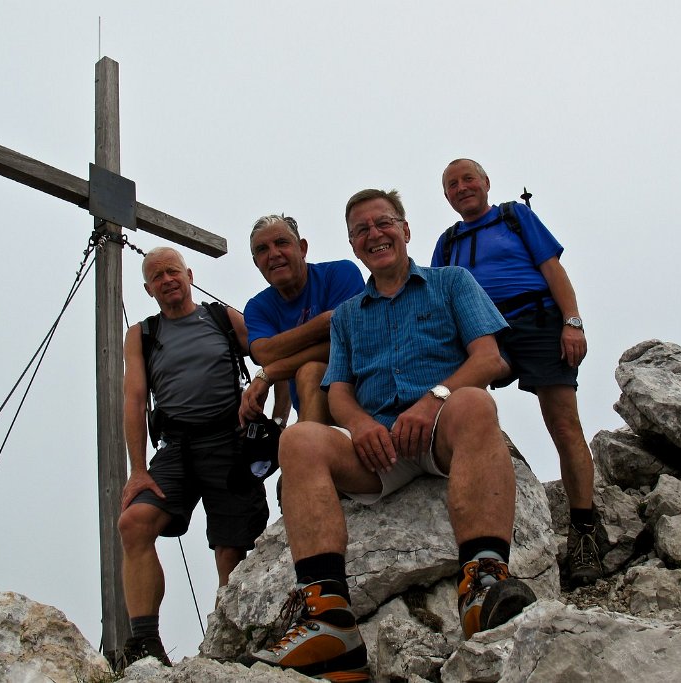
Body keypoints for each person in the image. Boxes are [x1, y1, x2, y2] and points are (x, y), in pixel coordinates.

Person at [252, 190, 536, 682]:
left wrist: (435, 398)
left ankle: (484, 581)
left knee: (474, 401)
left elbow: (489, 358)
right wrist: (359, 424)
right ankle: (329, 620)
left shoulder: (452, 283)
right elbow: (337, 389)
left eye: (383, 223)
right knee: (299, 440)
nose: (374, 234)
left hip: (441, 428)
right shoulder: (348, 314)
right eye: (361, 230)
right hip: (379, 444)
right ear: (353, 246)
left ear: (405, 230)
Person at [435, 158, 602, 586]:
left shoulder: (514, 216)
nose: (461, 187)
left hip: (536, 322)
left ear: (486, 183)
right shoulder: (448, 242)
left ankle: (584, 530)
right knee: (452, 403)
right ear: (447, 196)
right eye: (452, 184)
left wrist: (573, 321)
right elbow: (436, 296)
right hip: (482, 332)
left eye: (468, 178)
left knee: (564, 425)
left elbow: (553, 269)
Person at [117, 247, 285, 668]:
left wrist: (278, 420)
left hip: (229, 440)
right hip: (175, 448)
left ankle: (229, 646)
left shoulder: (221, 318)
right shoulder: (141, 334)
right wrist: (138, 469)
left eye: (173, 271)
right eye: (157, 276)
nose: (167, 279)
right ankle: (145, 643)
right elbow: (134, 399)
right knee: (135, 522)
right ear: (147, 288)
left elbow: (274, 357)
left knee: (231, 548)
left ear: (189, 274)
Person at [241, 215, 365, 426]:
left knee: (311, 371)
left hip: (365, 402)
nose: (273, 254)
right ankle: (309, 446)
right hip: (313, 413)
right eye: (262, 249)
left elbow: (351, 343)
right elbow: (265, 353)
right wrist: (325, 322)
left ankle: (308, 446)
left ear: (302, 248)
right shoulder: (258, 307)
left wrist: (270, 373)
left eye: (281, 243)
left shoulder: (340, 273)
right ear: (256, 263)